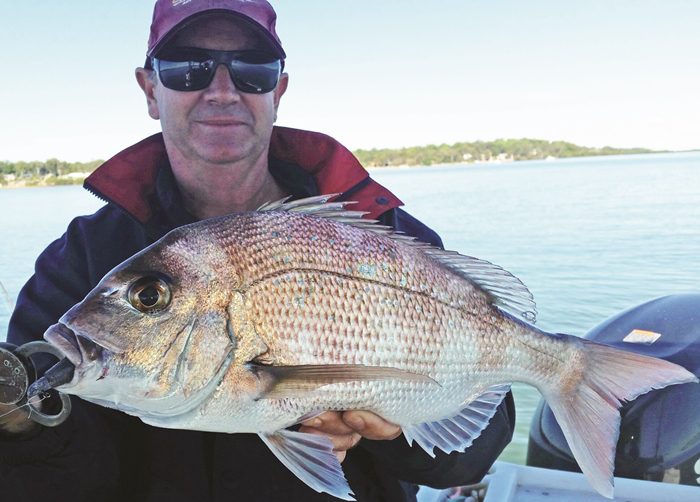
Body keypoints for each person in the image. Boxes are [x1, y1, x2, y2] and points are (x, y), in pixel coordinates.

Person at [0, 1, 514, 501]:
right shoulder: (79, 262)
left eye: (253, 70)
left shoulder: (385, 238)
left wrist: (395, 429)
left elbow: (466, 461)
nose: (222, 91)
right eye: (187, 69)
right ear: (150, 90)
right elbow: (54, 484)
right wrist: (19, 422)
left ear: (279, 90)